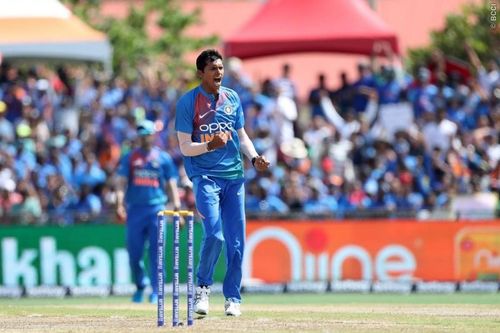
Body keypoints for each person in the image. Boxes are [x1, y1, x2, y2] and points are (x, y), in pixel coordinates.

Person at [175, 49, 270, 317]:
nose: (219, 73)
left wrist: (254, 158)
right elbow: (184, 147)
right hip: (205, 177)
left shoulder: (232, 97)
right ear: (200, 73)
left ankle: (232, 298)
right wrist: (209, 145)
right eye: (213, 69)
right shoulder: (187, 102)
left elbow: (241, 135)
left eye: (220, 68)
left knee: (236, 243)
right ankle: (203, 288)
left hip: (234, 178)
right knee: (214, 235)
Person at [115, 119, 181, 303]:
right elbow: (121, 182)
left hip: (157, 209)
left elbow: (171, 183)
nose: (144, 137)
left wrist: (176, 205)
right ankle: (140, 286)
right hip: (135, 210)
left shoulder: (163, 158)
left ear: (153, 135)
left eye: (147, 134)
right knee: (134, 254)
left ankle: (156, 291)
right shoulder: (130, 157)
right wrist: (119, 204)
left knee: (157, 253)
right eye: (141, 134)